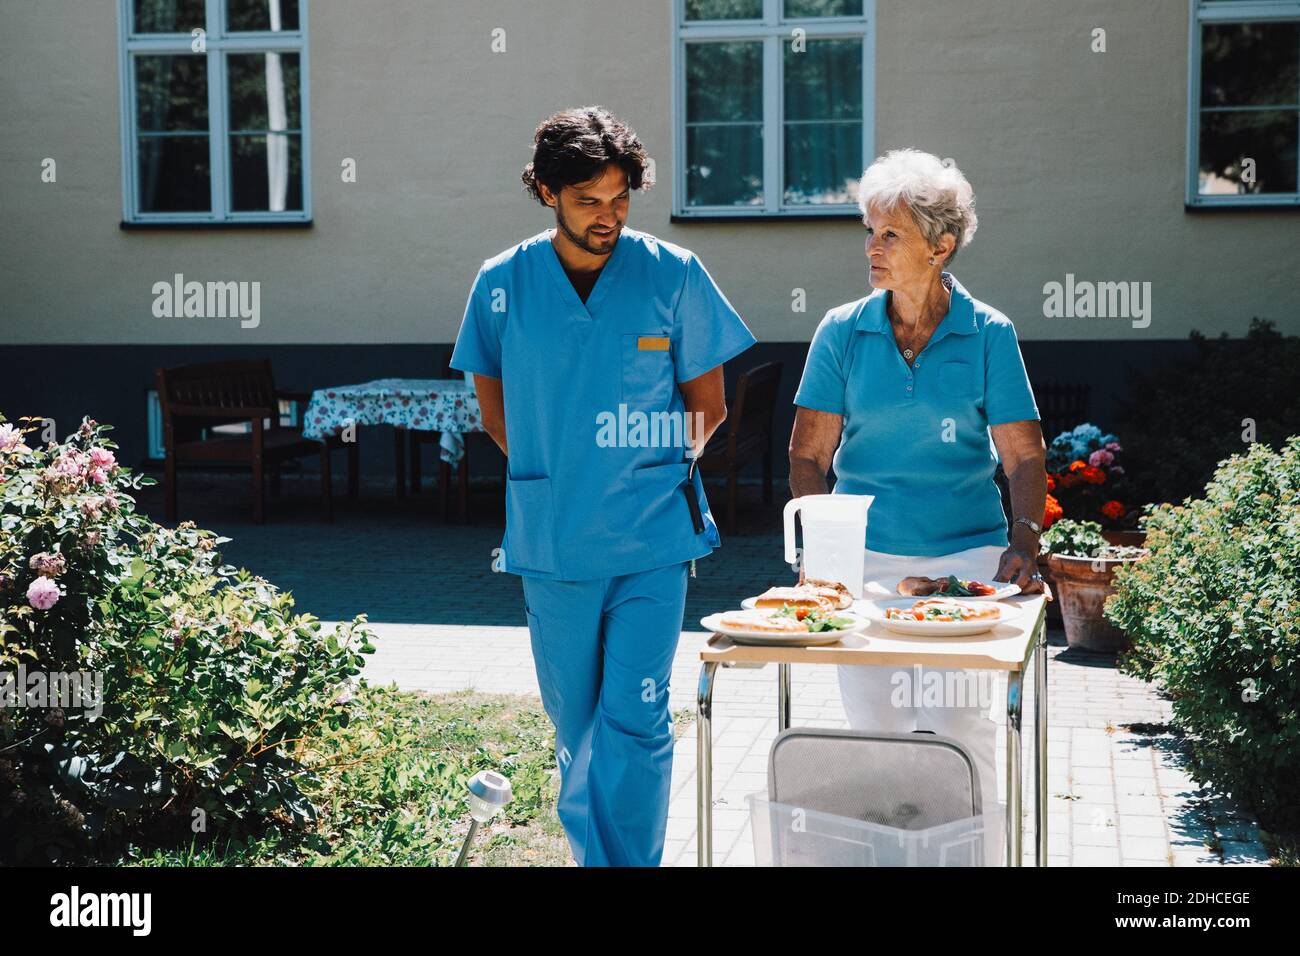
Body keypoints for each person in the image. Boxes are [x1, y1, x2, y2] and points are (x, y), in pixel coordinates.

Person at [450, 106, 756, 866]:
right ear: (548, 192)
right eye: (589, 199)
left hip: (651, 540)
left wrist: (640, 468)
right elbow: (494, 408)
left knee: (638, 720)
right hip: (553, 540)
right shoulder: (502, 284)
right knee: (578, 724)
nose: (608, 216)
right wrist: (564, 470)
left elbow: (708, 407)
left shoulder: (673, 275)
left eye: (621, 198)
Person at [788, 148, 1048, 832]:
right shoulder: (842, 331)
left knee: (960, 731)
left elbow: (1022, 456)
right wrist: (820, 551)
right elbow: (808, 453)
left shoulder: (988, 333)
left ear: (942, 245)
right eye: (869, 232)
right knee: (878, 733)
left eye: (890, 235)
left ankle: (976, 847)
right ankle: (893, 849)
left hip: (967, 564)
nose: (871, 249)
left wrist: (1024, 540)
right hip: (866, 566)